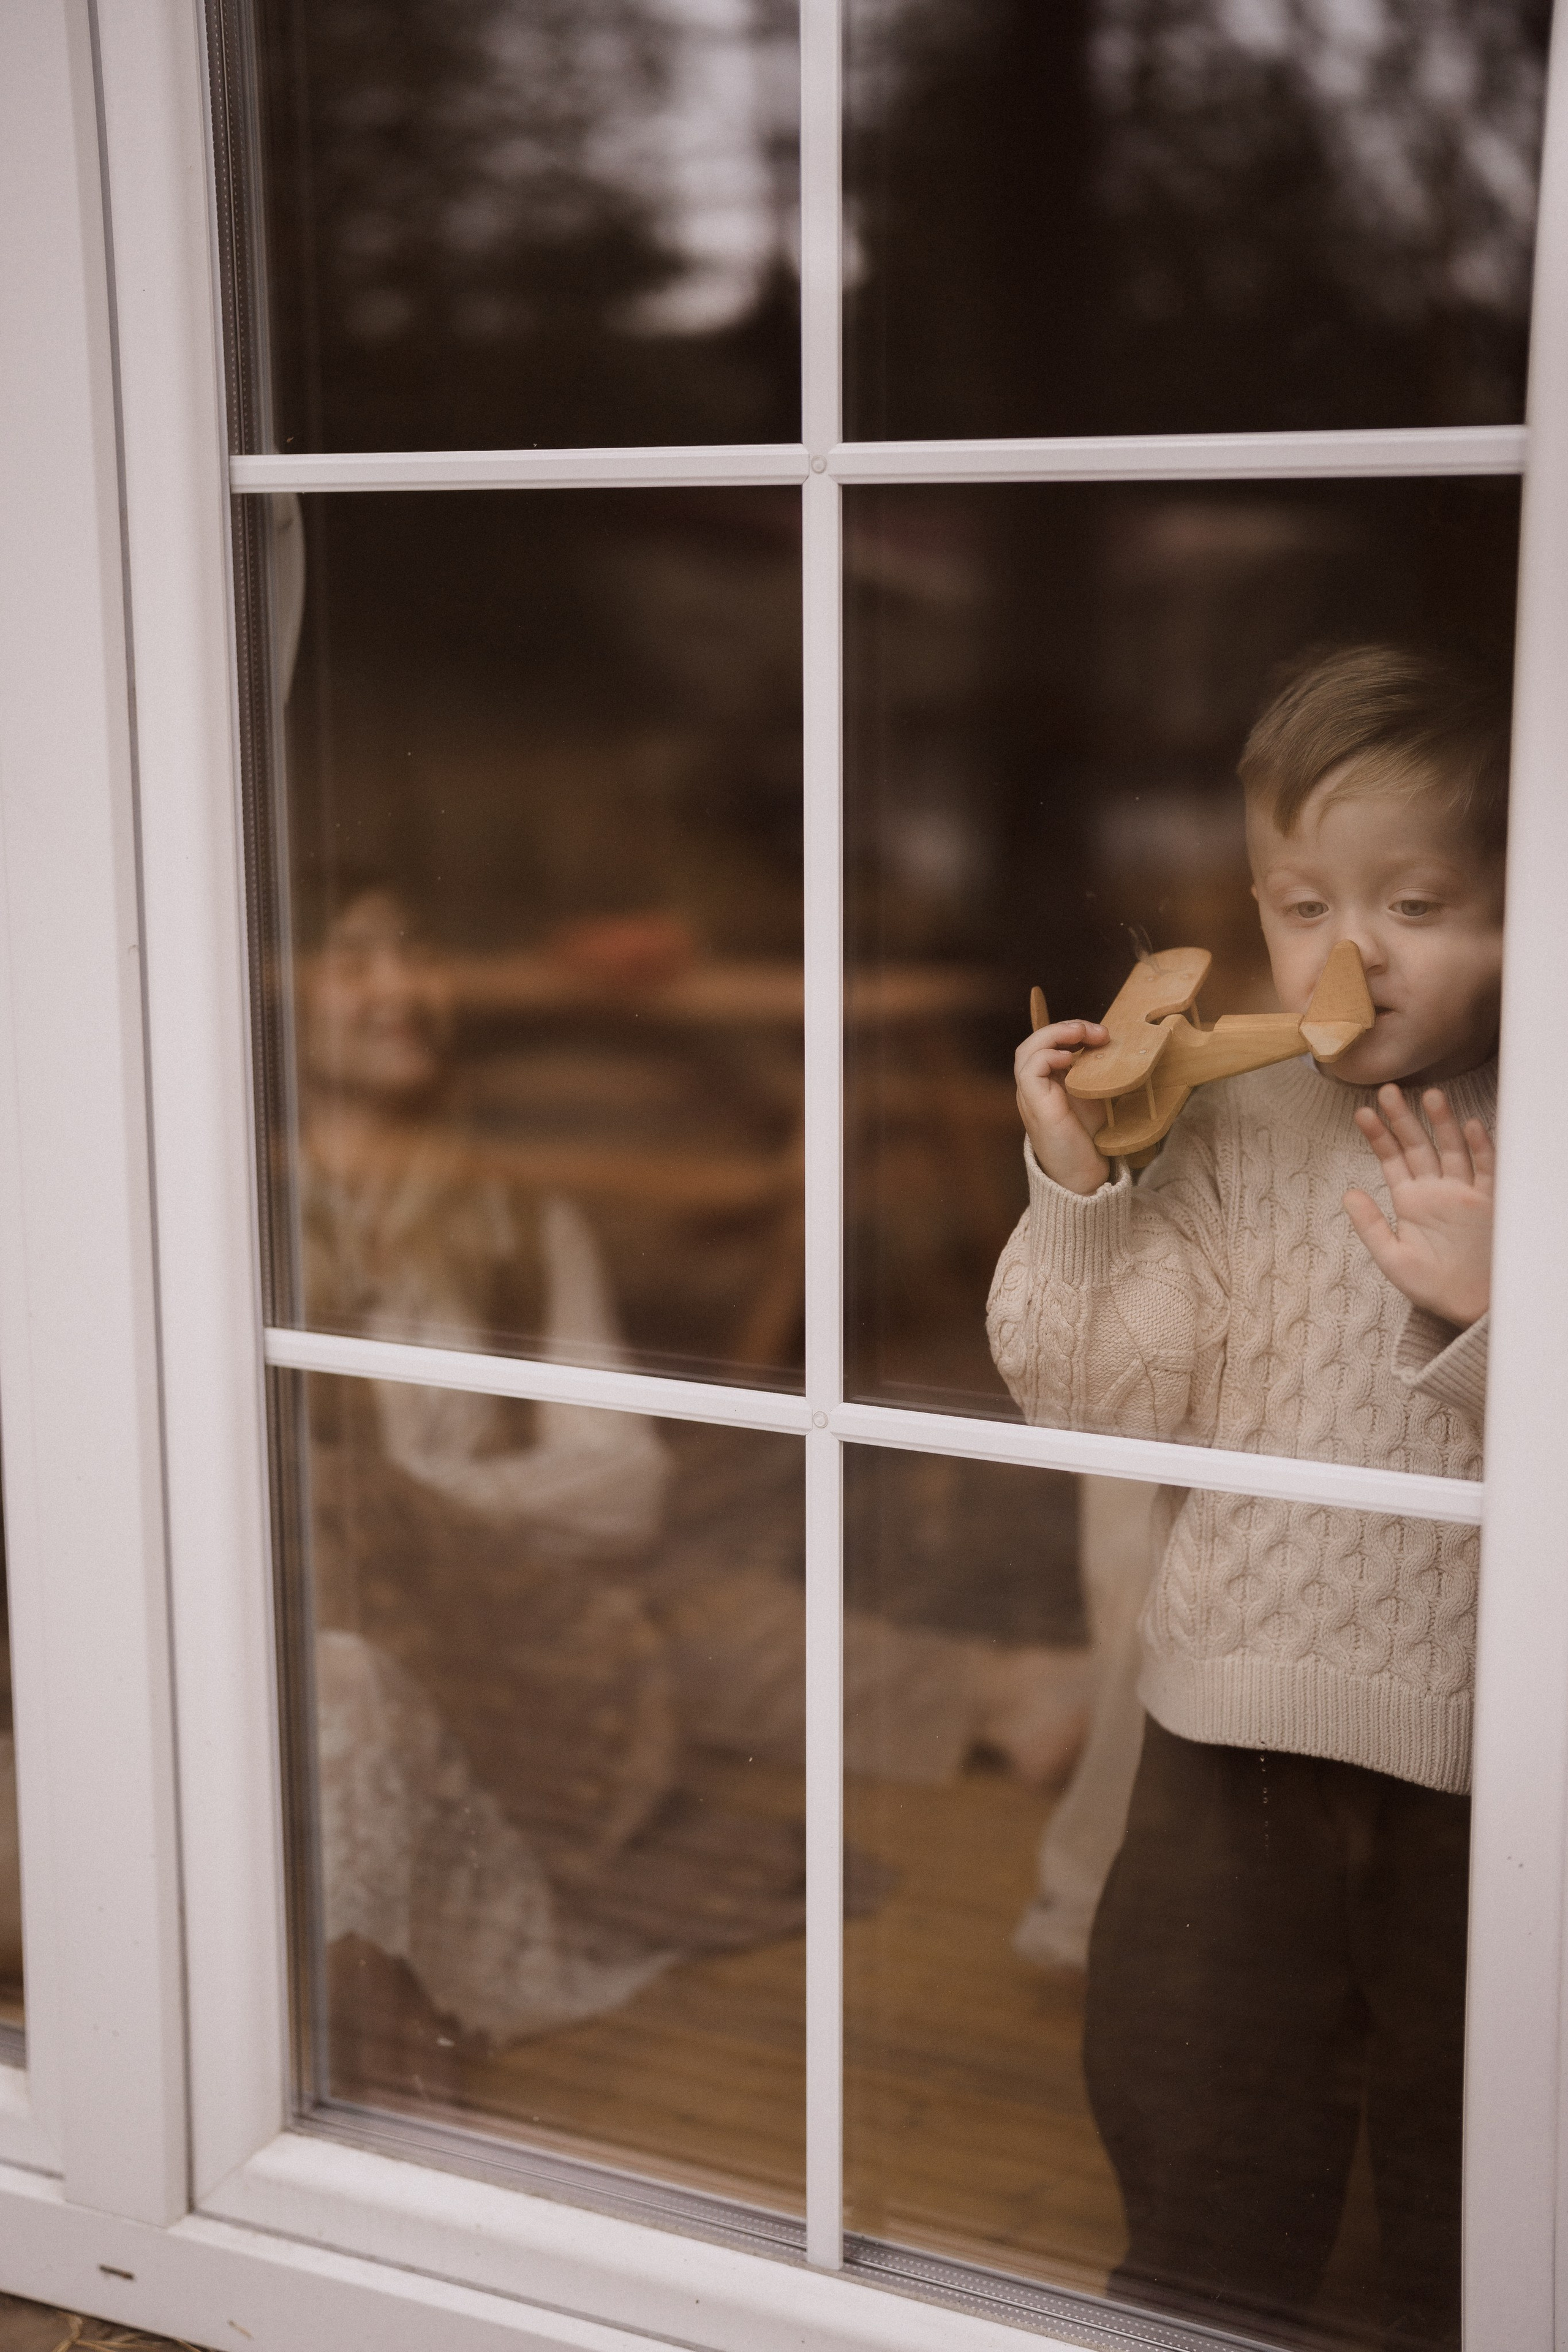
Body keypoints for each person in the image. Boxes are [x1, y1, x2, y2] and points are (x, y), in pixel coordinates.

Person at [296, 877, 1093, 2079]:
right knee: (625, 1603)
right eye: (355, 964)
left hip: (508, 1605)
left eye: (415, 955)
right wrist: (428, 1526)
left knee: (636, 1585)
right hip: (356, 1628)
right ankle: (1006, 1692)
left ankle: (1016, 1693)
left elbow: (618, 1480)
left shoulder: (512, 1220)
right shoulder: (218, 1221)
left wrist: (439, 1522)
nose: (402, 990)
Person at [989, 644, 1503, 2348]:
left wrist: (1500, 1313)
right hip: (1230, 1733)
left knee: (1482, 2174)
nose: (1346, 954)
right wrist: (1080, 1193)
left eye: (1417, 901)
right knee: (1201, 2112)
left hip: (1492, 1765)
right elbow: (1099, 1400)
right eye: (1300, 903)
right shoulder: (1233, 1119)